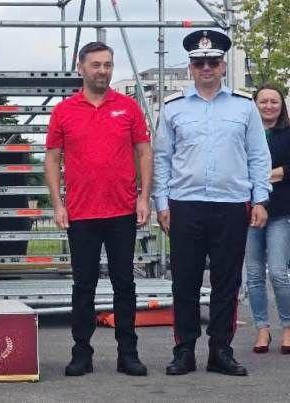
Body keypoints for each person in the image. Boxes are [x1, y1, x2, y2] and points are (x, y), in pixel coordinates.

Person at [153, 30, 271, 376]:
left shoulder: (244, 106)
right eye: (199, 62)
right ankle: (184, 351)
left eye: (213, 62)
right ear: (191, 67)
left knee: (227, 283)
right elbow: (162, 158)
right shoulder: (173, 108)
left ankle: (221, 350)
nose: (206, 67)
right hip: (185, 204)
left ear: (222, 66)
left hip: (231, 204)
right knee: (184, 282)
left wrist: (260, 199)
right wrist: (162, 203)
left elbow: (258, 155)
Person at [44, 41, 152, 377]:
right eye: (96, 65)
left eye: (108, 65)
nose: (103, 71)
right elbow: (52, 159)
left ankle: (128, 354)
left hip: (122, 211)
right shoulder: (64, 111)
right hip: (81, 213)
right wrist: (58, 204)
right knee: (83, 287)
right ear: (81, 68)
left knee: (125, 285)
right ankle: (81, 354)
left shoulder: (128, 107)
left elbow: (144, 152)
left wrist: (144, 197)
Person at [246, 84, 290, 354]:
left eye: (274, 101)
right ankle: (262, 328)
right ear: (255, 104)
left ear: (281, 105)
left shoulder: (288, 132)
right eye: (263, 101)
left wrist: (267, 174)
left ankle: (287, 326)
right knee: (253, 275)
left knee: (277, 272)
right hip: (249, 211)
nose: (269, 106)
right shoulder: (247, 132)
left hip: (281, 211)